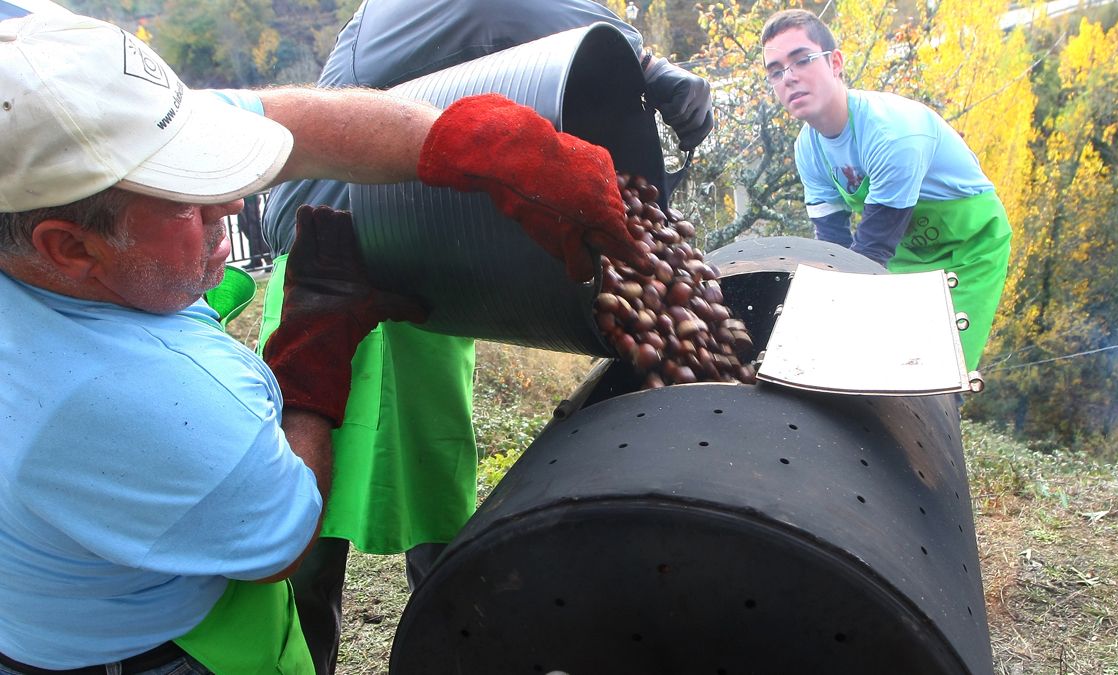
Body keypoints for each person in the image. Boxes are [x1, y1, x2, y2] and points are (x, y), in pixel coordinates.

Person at [0, 9, 648, 673]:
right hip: (144, 653)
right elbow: (281, 537)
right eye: (185, 198)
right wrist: (312, 352)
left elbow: (295, 121)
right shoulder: (114, 394)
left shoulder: (74, 141)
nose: (231, 199)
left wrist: (473, 142)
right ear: (71, 246)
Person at [258, 1, 714, 671]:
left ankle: (450, 650)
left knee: (438, 502)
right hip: (323, 272)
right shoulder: (394, 16)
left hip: (424, 288)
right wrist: (643, 59)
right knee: (304, 519)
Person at [762, 9, 1011, 372]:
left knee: (936, 370)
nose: (789, 78)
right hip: (904, 249)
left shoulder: (893, 134)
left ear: (835, 63)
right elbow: (833, 247)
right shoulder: (808, 149)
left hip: (967, 248)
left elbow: (869, 253)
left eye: (802, 60)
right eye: (776, 71)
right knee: (885, 363)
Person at [237, 192, 272, 271]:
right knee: (248, 228)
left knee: (254, 229)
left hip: (249, 197)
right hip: (244, 197)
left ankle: (268, 259)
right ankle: (256, 259)